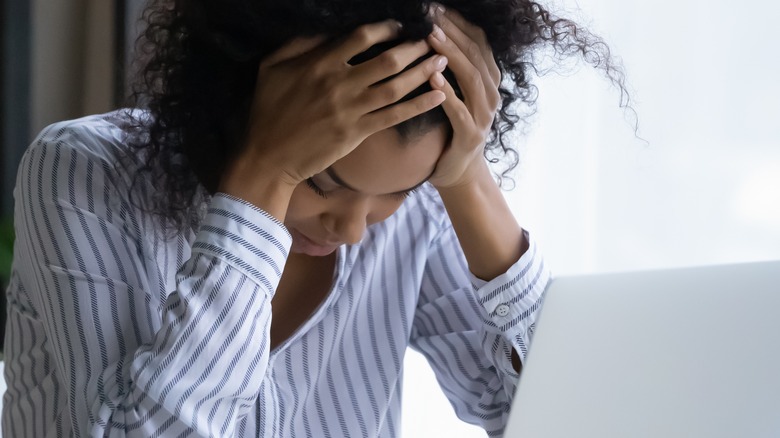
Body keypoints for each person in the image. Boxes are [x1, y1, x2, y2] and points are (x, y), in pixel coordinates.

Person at [2, 0, 626, 436]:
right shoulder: (85, 174)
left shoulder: (419, 211)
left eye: (400, 191)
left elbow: (554, 419)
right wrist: (263, 178)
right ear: (242, 106)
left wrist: (466, 180)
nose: (355, 228)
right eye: (324, 182)